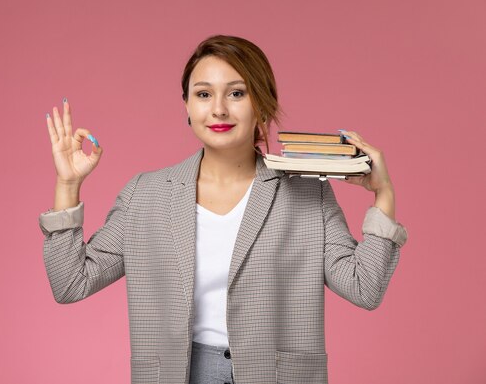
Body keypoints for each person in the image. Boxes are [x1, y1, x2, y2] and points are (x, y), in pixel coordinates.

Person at [38, 35, 408, 384]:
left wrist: (384, 194)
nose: (218, 109)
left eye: (236, 93)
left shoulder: (307, 194)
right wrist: (68, 185)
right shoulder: (145, 195)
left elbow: (364, 288)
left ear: (261, 103)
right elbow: (71, 283)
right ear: (186, 104)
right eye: (203, 94)